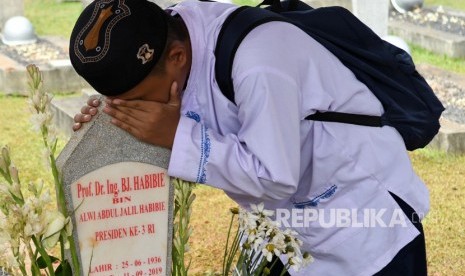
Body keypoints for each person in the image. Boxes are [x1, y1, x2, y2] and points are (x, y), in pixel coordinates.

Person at [70, 0, 428, 275]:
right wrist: (109, 122)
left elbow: (274, 178)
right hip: (283, 231)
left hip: (363, 219)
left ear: (177, 57)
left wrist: (178, 135)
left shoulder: (259, 61)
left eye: (136, 102)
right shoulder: (169, 39)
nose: (135, 111)